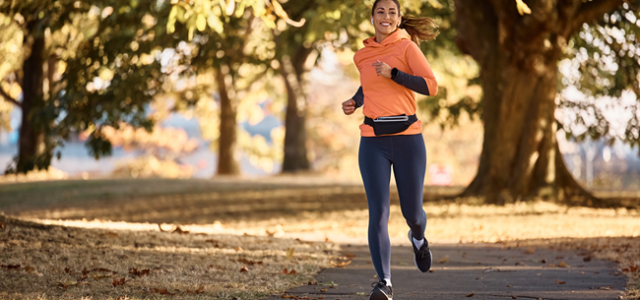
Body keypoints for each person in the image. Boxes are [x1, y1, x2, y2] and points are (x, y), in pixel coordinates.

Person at [341, 0, 439, 299]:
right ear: (372, 17)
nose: (386, 16)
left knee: (412, 213)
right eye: (380, 12)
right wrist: (355, 102)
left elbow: (431, 86)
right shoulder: (362, 55)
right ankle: (384, 282)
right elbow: (369, 86)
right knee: (379, 212)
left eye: (391, 12)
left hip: (408, 138)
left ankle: (418, 238)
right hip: (372, 139)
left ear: (398, 19)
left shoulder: (407, 48)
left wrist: (394, 73)